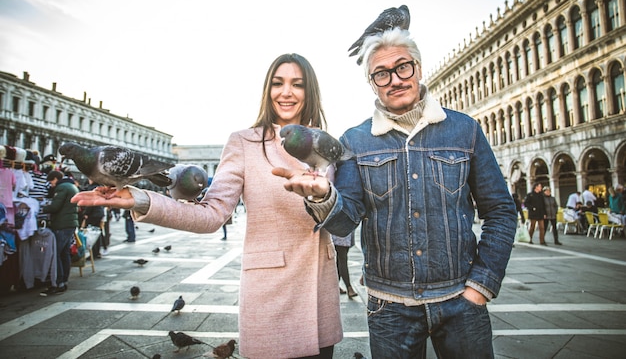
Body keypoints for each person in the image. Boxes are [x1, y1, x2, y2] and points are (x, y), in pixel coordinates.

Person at [72, 53, 343, 358]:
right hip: (271, 290)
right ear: (268, 89)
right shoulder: (244, 142)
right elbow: (211, 215)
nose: (286, 92)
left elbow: (341, 213)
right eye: (278, 83)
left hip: (320, 291)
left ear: (311, 91)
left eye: (298, 84)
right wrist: (143, 199)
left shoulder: (326, 142)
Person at [273, 28, 516, 358]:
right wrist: (321, 196)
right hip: (389, 309)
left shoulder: (465, 130)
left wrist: (481, 285)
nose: (395, 80)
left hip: (461, 302)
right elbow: (345, 222)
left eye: (403, 67)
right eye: (381, 74)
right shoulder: (355, 141)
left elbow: (501, 209)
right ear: (372, 83)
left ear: (417, 67)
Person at [40, 170, 79, 295]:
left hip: (62, 224)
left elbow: (55, 207)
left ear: (56, 179)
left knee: (56, 253)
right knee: (64, 253)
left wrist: (41, 207)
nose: (51, 185)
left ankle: (58, 283)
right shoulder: (72, 186)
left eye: (51, 182)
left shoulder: (61, 188)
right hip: (70, 224)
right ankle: (63, 281)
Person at [80, 179, 106, 258]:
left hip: (93, 213)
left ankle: (93, 252)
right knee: (96, 233)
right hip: (99, 212)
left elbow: (90, 203)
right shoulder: (99, 188)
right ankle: (97, 252)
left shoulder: (92, 188)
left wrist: (86, 213)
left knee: (91, 233)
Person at [332, 231, 357, 298]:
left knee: (340, 260)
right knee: (343, 260)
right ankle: (349, 287)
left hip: (346, 234)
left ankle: (335, 286)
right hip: (339, 234)